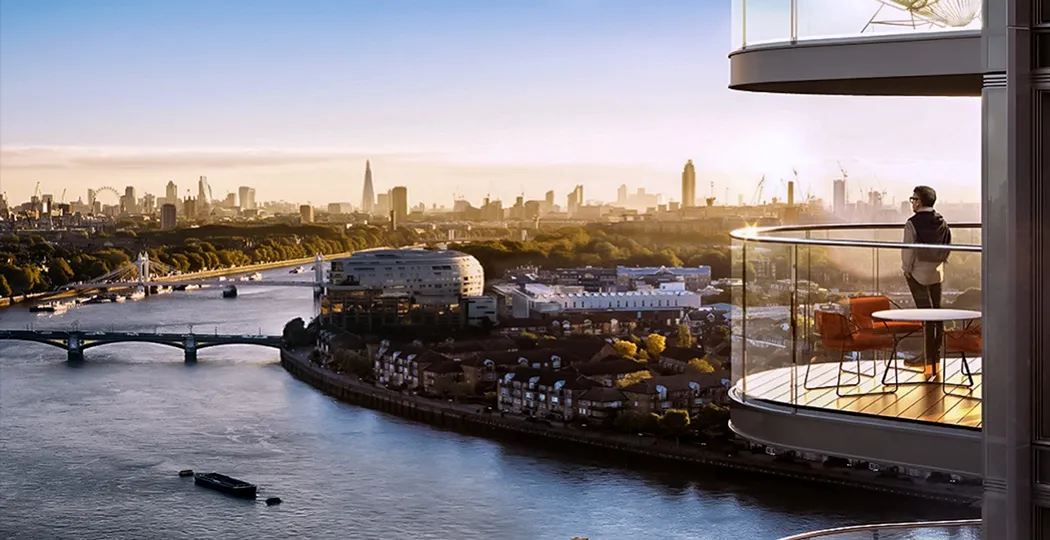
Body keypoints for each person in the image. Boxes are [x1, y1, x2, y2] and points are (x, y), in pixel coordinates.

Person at [902, 185, 952, 369]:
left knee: (926, 314)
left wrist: (906, 269)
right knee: (937, 313)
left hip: (919, 274)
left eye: (913, 199)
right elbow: (947, 244)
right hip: (937, 272)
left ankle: (927, 356)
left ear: (919, 201)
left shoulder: (912, 223)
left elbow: (908, 251)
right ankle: (935, 353)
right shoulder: (942, 221)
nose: (912, 203)